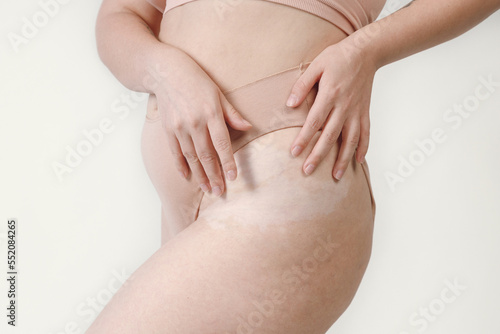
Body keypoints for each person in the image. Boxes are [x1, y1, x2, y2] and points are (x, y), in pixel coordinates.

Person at [88, 0, 500, 332]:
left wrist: (367, 50)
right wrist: (164, 70)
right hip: (187, 195)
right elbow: (121, 15)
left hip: (287, 176)